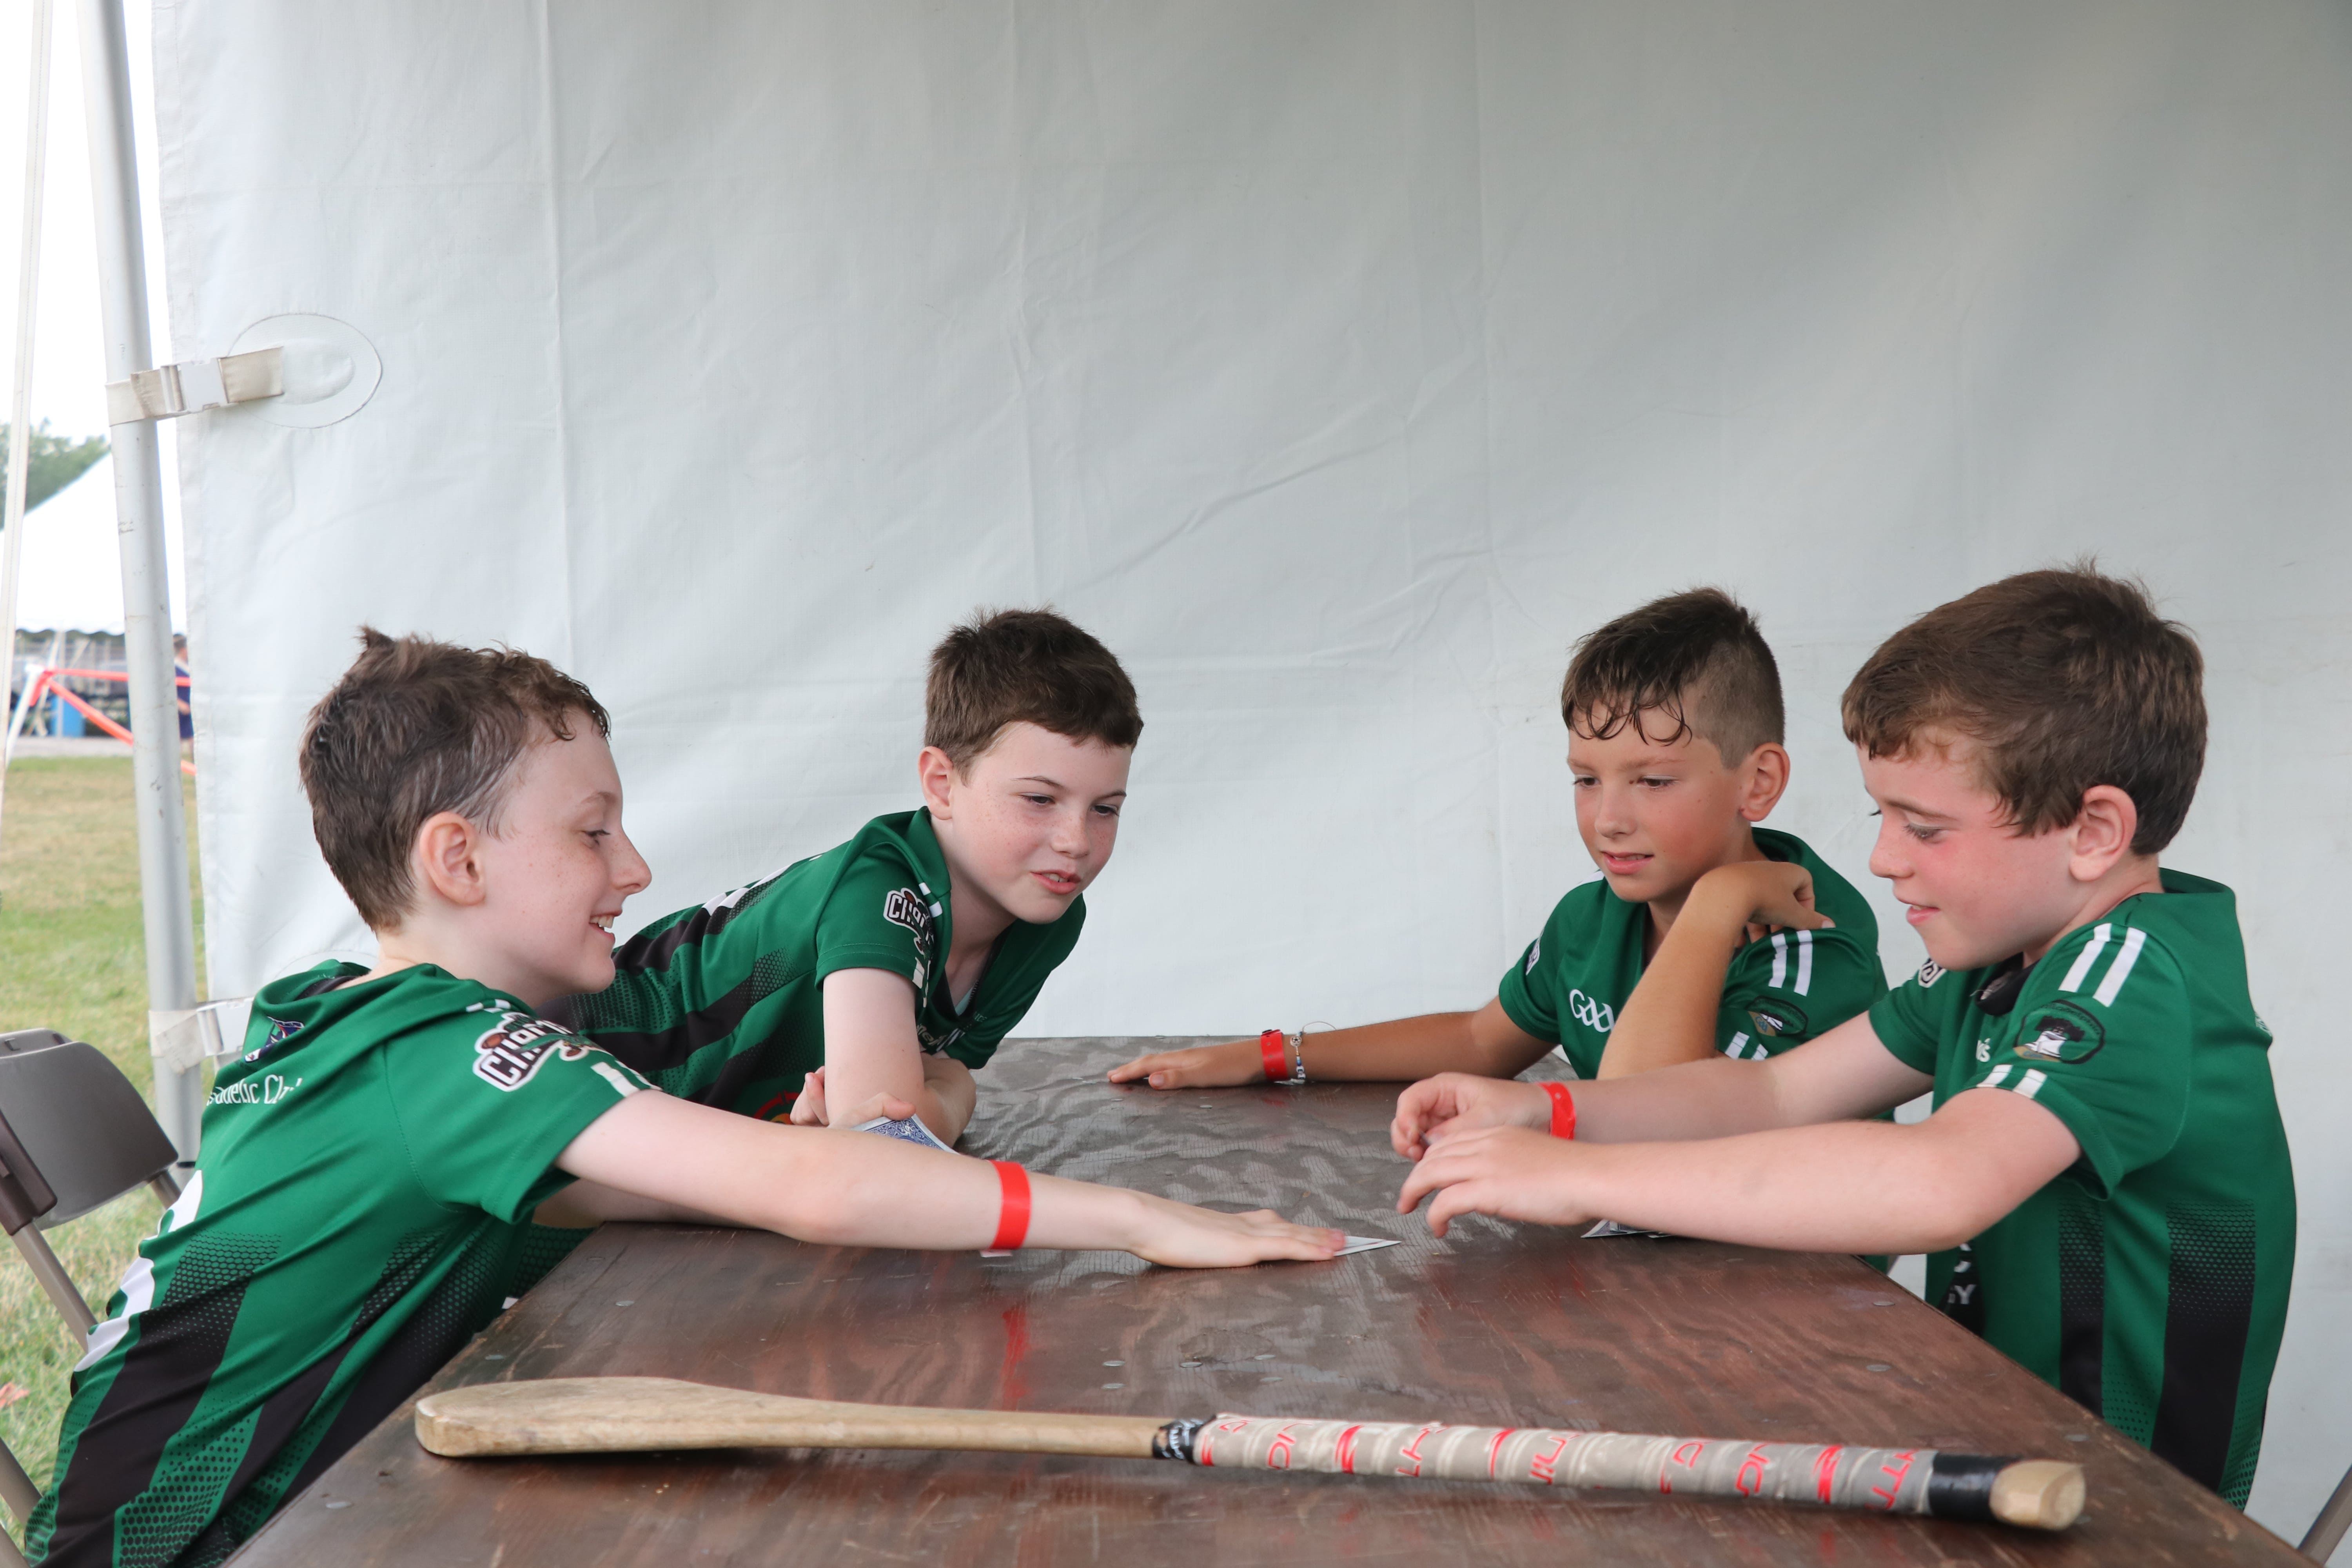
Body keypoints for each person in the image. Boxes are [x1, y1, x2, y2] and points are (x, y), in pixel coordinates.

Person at [28, 631, 1337, 1568]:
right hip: (206, 1540)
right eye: (593, 831)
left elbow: (649, 1194)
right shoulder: (440, 1055)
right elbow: (819, 1184)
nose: (637, 867)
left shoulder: (368, 1024)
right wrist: (1138, 1218)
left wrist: (790, 1165)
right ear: (458, 860)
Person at [1391, 567, 2291, 1507]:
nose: (1882, 856)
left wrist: (1580, 1176)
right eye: (1882, 814)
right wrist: (1547, 1108)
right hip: (1999, 1452)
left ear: (2095, 830)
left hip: (2128, 1508)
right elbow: (1774, 1091)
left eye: (1925, 827)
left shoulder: (2131, 974)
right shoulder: (1998, 957)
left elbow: (1941, 1180)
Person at [1109, 588, 1883, 1091]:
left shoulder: (1814, 949)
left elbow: (1650, 1111)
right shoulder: (1592, 918)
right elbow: (1482, 1041)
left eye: (1652, 781)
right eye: (1586, 779)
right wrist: (1273, 1054)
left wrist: (1718, 904)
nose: (1609, 818)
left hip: (1792, 1292)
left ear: (1758, 782)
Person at [554, 608, 1132, 1145]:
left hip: (697, 1154)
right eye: (1039, 799)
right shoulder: (880, 892)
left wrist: (884, 1109)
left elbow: (884, 1119)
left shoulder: (1048, 916)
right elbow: (889, 1133)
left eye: (1105, 808)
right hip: (570, 1062)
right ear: (941, 785)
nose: (1076, 841)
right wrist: (957, 1095)